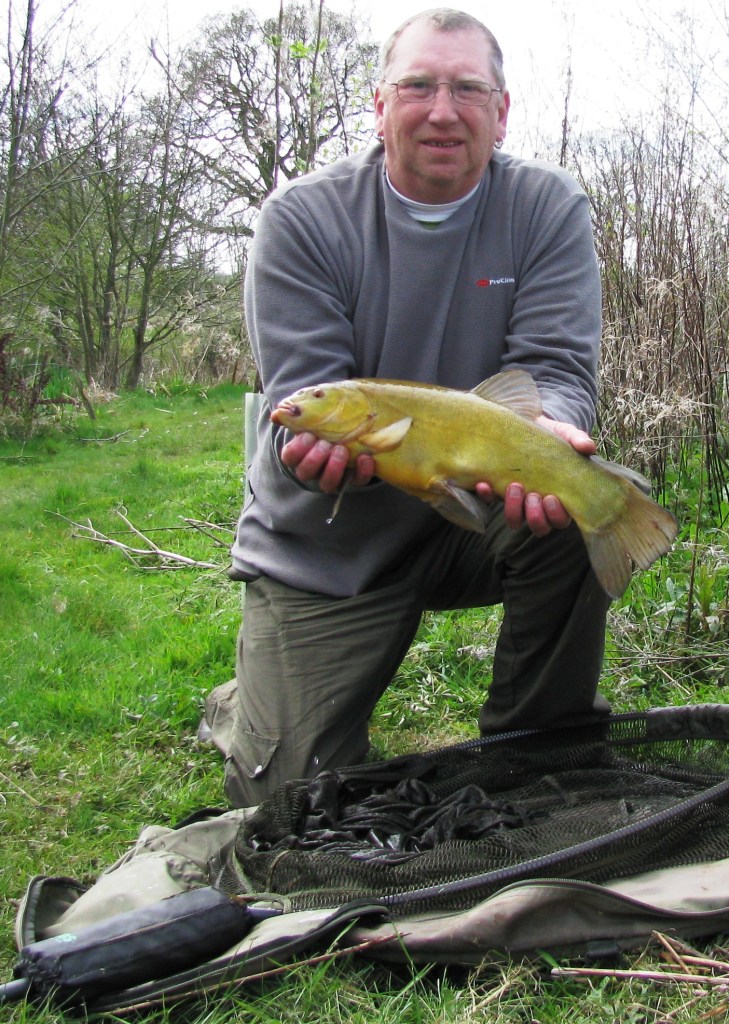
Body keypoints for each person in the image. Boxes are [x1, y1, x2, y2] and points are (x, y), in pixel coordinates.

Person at [203, 7, 612, 808]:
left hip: (475, 510)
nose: (442, 110)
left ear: (502, 111)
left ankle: (538, 749)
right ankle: (245, 707)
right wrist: (311, 460)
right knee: (292, 798)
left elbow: (556, 370)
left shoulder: (548, 206)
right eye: (418, 86)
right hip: (328, 544)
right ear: (380, 104)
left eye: (467, 89)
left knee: (580, 501)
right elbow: (305, 401)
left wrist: (552, 431)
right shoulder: (302, 219)